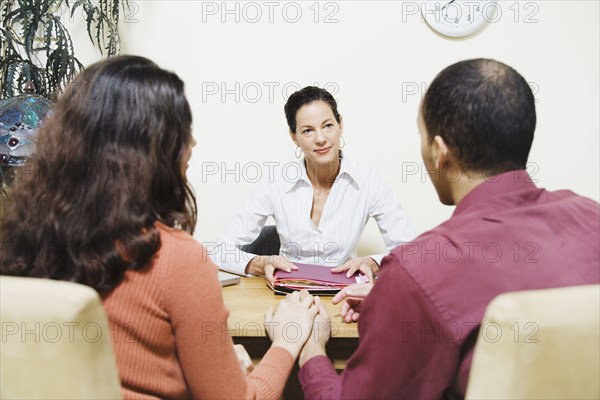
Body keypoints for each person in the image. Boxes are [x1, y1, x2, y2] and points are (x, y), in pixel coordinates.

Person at [0, 56, 320, 399]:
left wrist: (214, 370)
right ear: (152, 149)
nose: (193, 144)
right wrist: (287, 340)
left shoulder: (22, 240)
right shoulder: (176, 259)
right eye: (183, 131)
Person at [297, 58, 600, 399]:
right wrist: (395, 305)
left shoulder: (417, 271)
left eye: (422, 137)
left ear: (439, 151)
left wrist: (311, 351)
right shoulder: (592, 217)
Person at [211, 86, 416, 283]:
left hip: (343, 296)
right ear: (294, 137)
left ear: (340, 124)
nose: (320, 139)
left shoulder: (369, 181)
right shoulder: (275, 182)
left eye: (328, 126)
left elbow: (411, 251)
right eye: (308, 131)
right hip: (285, 296)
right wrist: (259, 263)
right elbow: (219, 250)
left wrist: (373, 263)